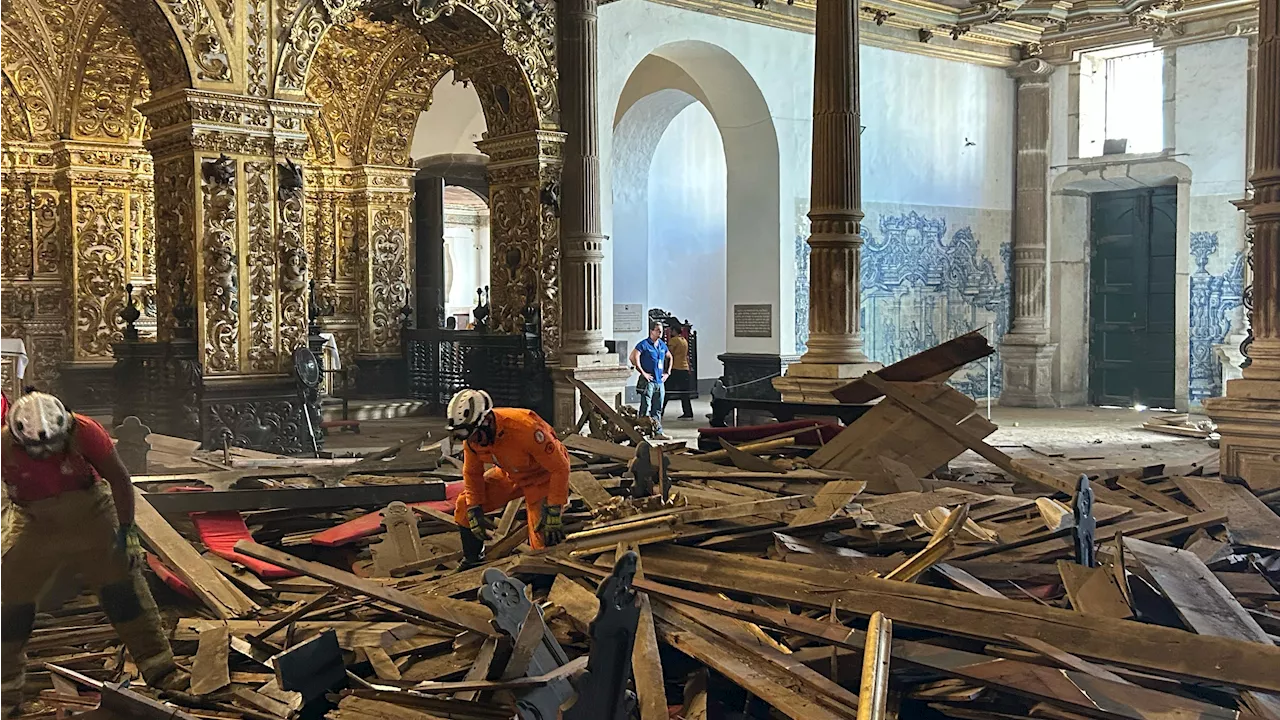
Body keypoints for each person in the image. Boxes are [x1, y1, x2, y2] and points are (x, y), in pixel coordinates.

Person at [0, 392, 189, 718]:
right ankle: (5, 692)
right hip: (36, 520)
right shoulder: (4, 444)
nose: (43, 456)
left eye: (51, 448)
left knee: (123, 591)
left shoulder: (85, 430)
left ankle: (163, 672)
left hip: (91, 512)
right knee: (10, 604)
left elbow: (119, 478)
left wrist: (127, 531)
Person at [447, 389, 570, 567]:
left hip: (542, 476)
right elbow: (472, 474)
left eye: (474, 435)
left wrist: (554, 509)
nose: (472, 441)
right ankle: (473, 560)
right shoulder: (472, 439)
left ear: (487, 421)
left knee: (541, 538)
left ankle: (546, 573)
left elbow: (560, 467)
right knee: (464, 506)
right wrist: (474, 507)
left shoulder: (526, 428)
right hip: (511, 473)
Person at [629, 321, 673, 440]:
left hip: (659, 381)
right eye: (658, 330)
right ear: (651, 331)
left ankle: (657, 431)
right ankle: (641, 432)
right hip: (649, 381)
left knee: (657, 408)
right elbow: (633, 357)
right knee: (646, 406)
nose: (660, 333)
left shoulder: (662, 345)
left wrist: (667, 372)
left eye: (661, 330)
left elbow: (670, 357)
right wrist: (642, 372)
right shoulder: (644, 344)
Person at [664, 327, 694, 420]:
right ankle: (688, 412)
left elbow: (669, 353)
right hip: (684, 368)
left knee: (667, 391)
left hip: (675, 368)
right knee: (685, 393)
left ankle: (660, 410)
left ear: (674, 331)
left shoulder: (673, 341)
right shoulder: (684, 340)